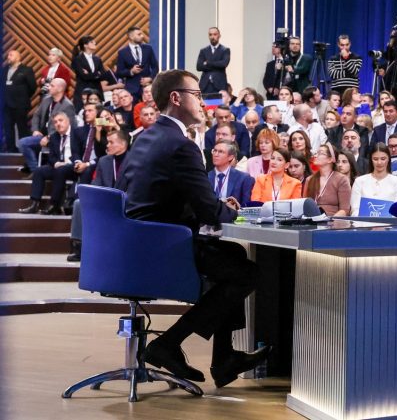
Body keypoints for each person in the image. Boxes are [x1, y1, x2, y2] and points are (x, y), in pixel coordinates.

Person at [116, 69, 267, 387]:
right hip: (162, 249)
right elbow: (210, 212)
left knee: (232, 256)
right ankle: (169, 344)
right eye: (197, 95)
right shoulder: (181, 145)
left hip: (133, 246)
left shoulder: (144, 139)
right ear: (176, 98)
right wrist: (230, 211)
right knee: (246, 273)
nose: (202, 102)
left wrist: (210, 207)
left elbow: (149, 194)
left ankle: (224, 358)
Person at [68, 129, 130, 261]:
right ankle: (78, 246)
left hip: (125, 201)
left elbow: (135, 187)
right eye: (108, 142)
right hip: (105, 200)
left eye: (111, 142)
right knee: (78, 203)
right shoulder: (103, 161)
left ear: (123, 144)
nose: (107, 145)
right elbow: (96, 184)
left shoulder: (134, 161)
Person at [19, 111, 81, 214]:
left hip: (73, 167)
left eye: (60, 120)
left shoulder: (77, 134)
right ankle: (34, 204)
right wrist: (56, 163)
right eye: (55, 122)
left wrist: (68, 163)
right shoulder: (54, 137)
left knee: (60, 170)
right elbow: (51, 157)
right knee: (39, 171)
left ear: (68, 121)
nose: (58, 124)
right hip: (58, 166)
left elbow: (80, 153)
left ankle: (54, 205)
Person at [18, 77, 77, 173]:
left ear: (60, 89)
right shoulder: (46, 99)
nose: (49, 87)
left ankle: (35, 171)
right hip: (41, 135)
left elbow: (70, 127)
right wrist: (35, 130)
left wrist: (50, 137)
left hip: (56, 138)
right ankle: (35, 170)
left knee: (23, 143)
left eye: (52, 86)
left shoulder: (67, 105)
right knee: (23, 143)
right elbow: (36, 115)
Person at [350, 143, 397, 214]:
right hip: (363, 221)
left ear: (388, 159)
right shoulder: (359, 181)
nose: (379, 162)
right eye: (375, 159)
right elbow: (355, 209)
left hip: (389, 221)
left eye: (383, 159)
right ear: (371, 160)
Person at [304, 143, 352, 215]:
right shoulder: (309, 179)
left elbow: (345, 209)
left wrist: (331, 220)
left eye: (320, 153)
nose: (315, 156)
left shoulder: (341, 179)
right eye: (316, 153)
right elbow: (305, 205)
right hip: (312, 219)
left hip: (333, 219)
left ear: (330, 159)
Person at [3, 50, 37, 152]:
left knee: (22, 128)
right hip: (6, 105)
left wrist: (24, 97)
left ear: (18, 57)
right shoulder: (4, 70)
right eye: (8, 55)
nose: (8, 57)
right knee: (8, 129)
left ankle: (24, 151)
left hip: (21, 105)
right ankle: (11, 151)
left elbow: (33, 87)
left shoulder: (27, 70)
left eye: (11, 55)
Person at [114, 26, 159, 99]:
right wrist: (131, 71)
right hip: (131, 90)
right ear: (131, 37)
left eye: (142, 34)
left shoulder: (148, 49)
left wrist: (150, 78)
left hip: (147, 87)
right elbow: (119, 72)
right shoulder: (122, 53)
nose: (142, 36)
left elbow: (155, 67)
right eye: (139, 34)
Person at [208, 141, 254, 207]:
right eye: (214, 151)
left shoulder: (243, 178)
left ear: (230, 157)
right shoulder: (205, 177)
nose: (216, 154)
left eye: (221, 152)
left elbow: (245, 207)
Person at [196, 27, 230, 95]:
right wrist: (217, 65)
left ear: (219, 35)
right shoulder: (203, 51)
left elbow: (224, 64)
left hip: (219, 84)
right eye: (210, 34)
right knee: (203, 101)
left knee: (219, 102)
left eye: (215, 34)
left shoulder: (225, 50)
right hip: (205, 85)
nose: (212, 37)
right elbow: (199, 67)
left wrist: (208, 63)